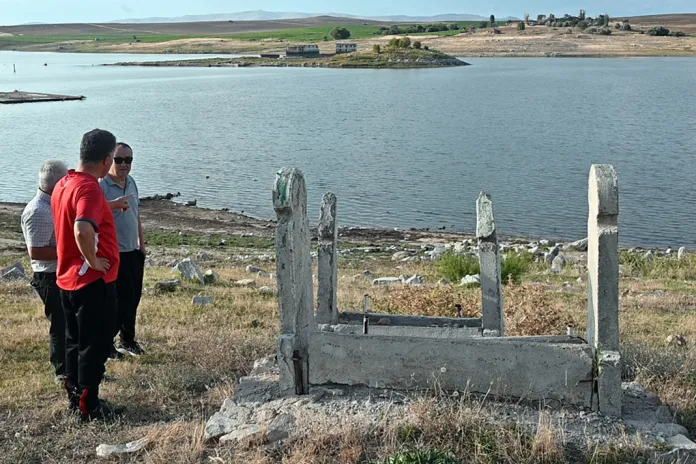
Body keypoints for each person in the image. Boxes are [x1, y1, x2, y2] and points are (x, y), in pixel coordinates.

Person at [51, 128, 128, 421]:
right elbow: (82, 228)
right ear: (108, 159)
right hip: (91, 281)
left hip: (67, 279)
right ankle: (90, 406)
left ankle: (75, 397)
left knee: (73, 342)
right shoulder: (89, 188)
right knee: (93, 346)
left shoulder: (64, 183)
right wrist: (94, 261)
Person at [20, 160, 69, 383]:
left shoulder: (53, 205)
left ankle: (73, 367)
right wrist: (71, 251)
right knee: (60, 324)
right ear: (56, 184)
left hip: (61, 273)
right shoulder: (38, 211)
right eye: (65, 180)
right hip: (49, 277)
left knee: (70, 322)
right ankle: (61, 371)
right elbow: (37, 252)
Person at [99, 142, 146, 358]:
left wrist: (142, 246)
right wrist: (112, 204)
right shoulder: (102, 186)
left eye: (129, 160)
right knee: (115, 302)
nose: (124, 164)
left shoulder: (132, 183)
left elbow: (136, 216)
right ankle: (106, 343)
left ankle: (128, 339)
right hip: (113, 254)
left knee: (133, 299)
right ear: (109, 160)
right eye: (119, 160)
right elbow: (91, 214)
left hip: (133, 251)